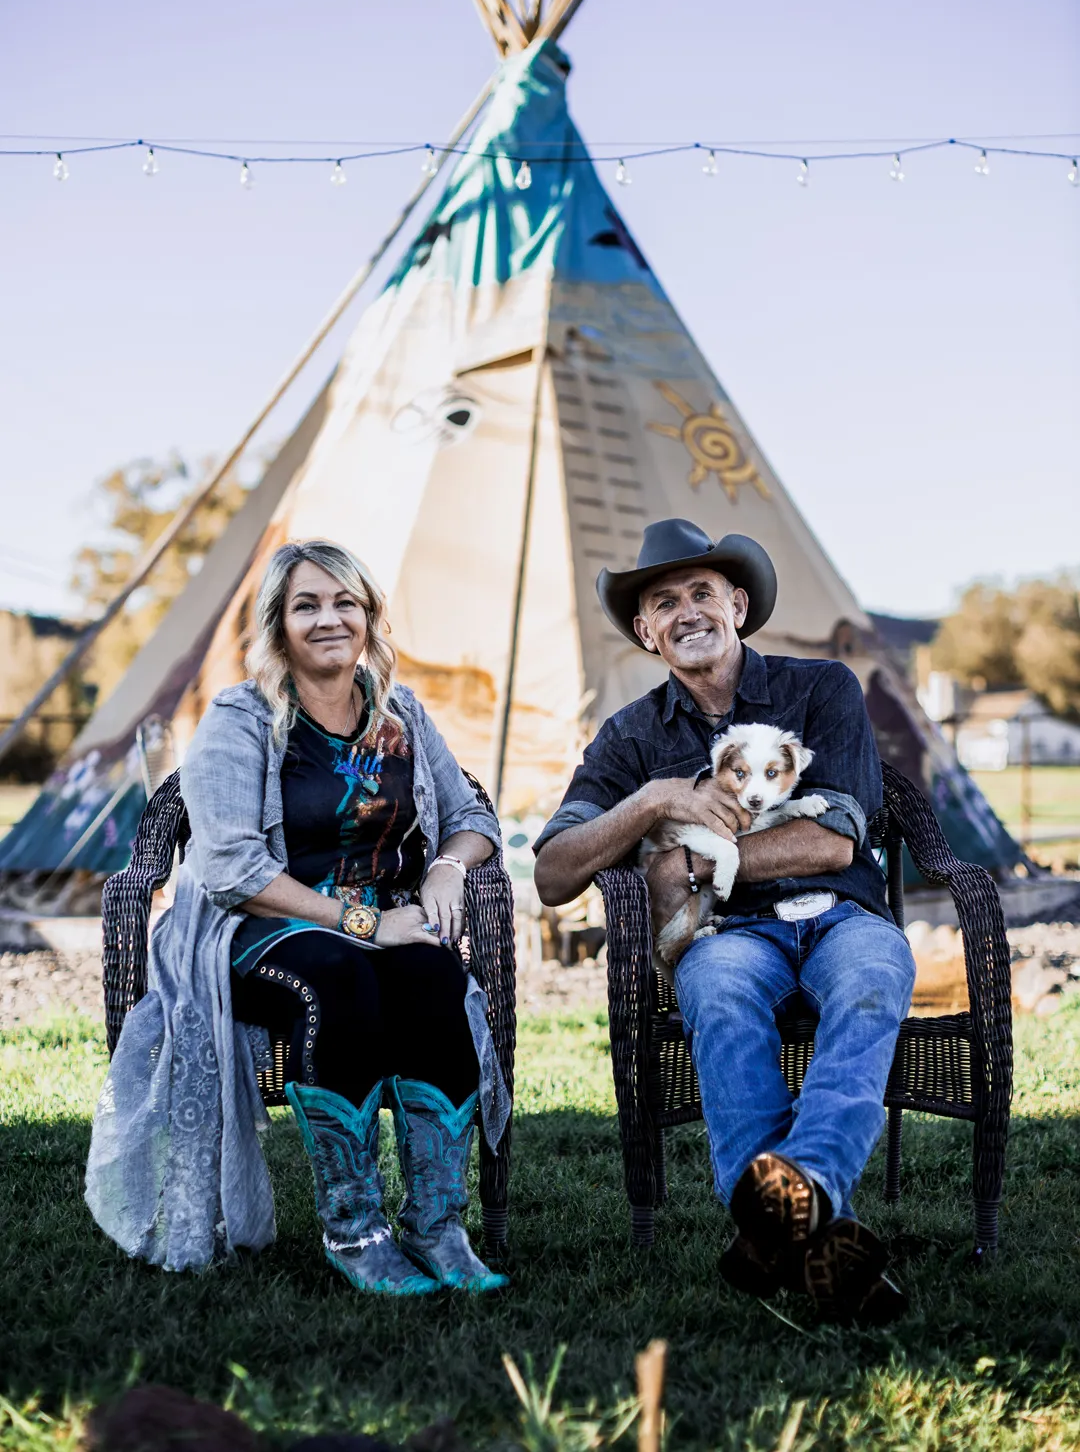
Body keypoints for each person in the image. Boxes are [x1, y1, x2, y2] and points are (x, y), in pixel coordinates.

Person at [87, 539, 509, 1296]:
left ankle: (437, 1225)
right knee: (338, 974)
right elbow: (231, 871)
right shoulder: (242, 717)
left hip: (384, 924)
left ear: (369, 616)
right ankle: (356, 1230)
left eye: (345, 602)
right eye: (306, 605)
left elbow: (473, 818)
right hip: (255, 928)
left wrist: (447, 866)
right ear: (278, 625)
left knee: (436, 975)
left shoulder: (400, 712)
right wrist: (365, 924)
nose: (328, 619)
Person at [533, 519, 916, 1323]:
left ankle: (778, 1217)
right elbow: (554, 872)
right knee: (719, 990)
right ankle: (819, 1233)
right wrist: (650, 800)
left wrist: (698, 862)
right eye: (663, 603)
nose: (687, 613)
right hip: (730, 936)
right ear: (646, 631)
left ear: (737, 605)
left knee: (875, 976)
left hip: (843, 915)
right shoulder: (630, 737)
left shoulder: (823, 690)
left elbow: (834, 839)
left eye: (701, 592)